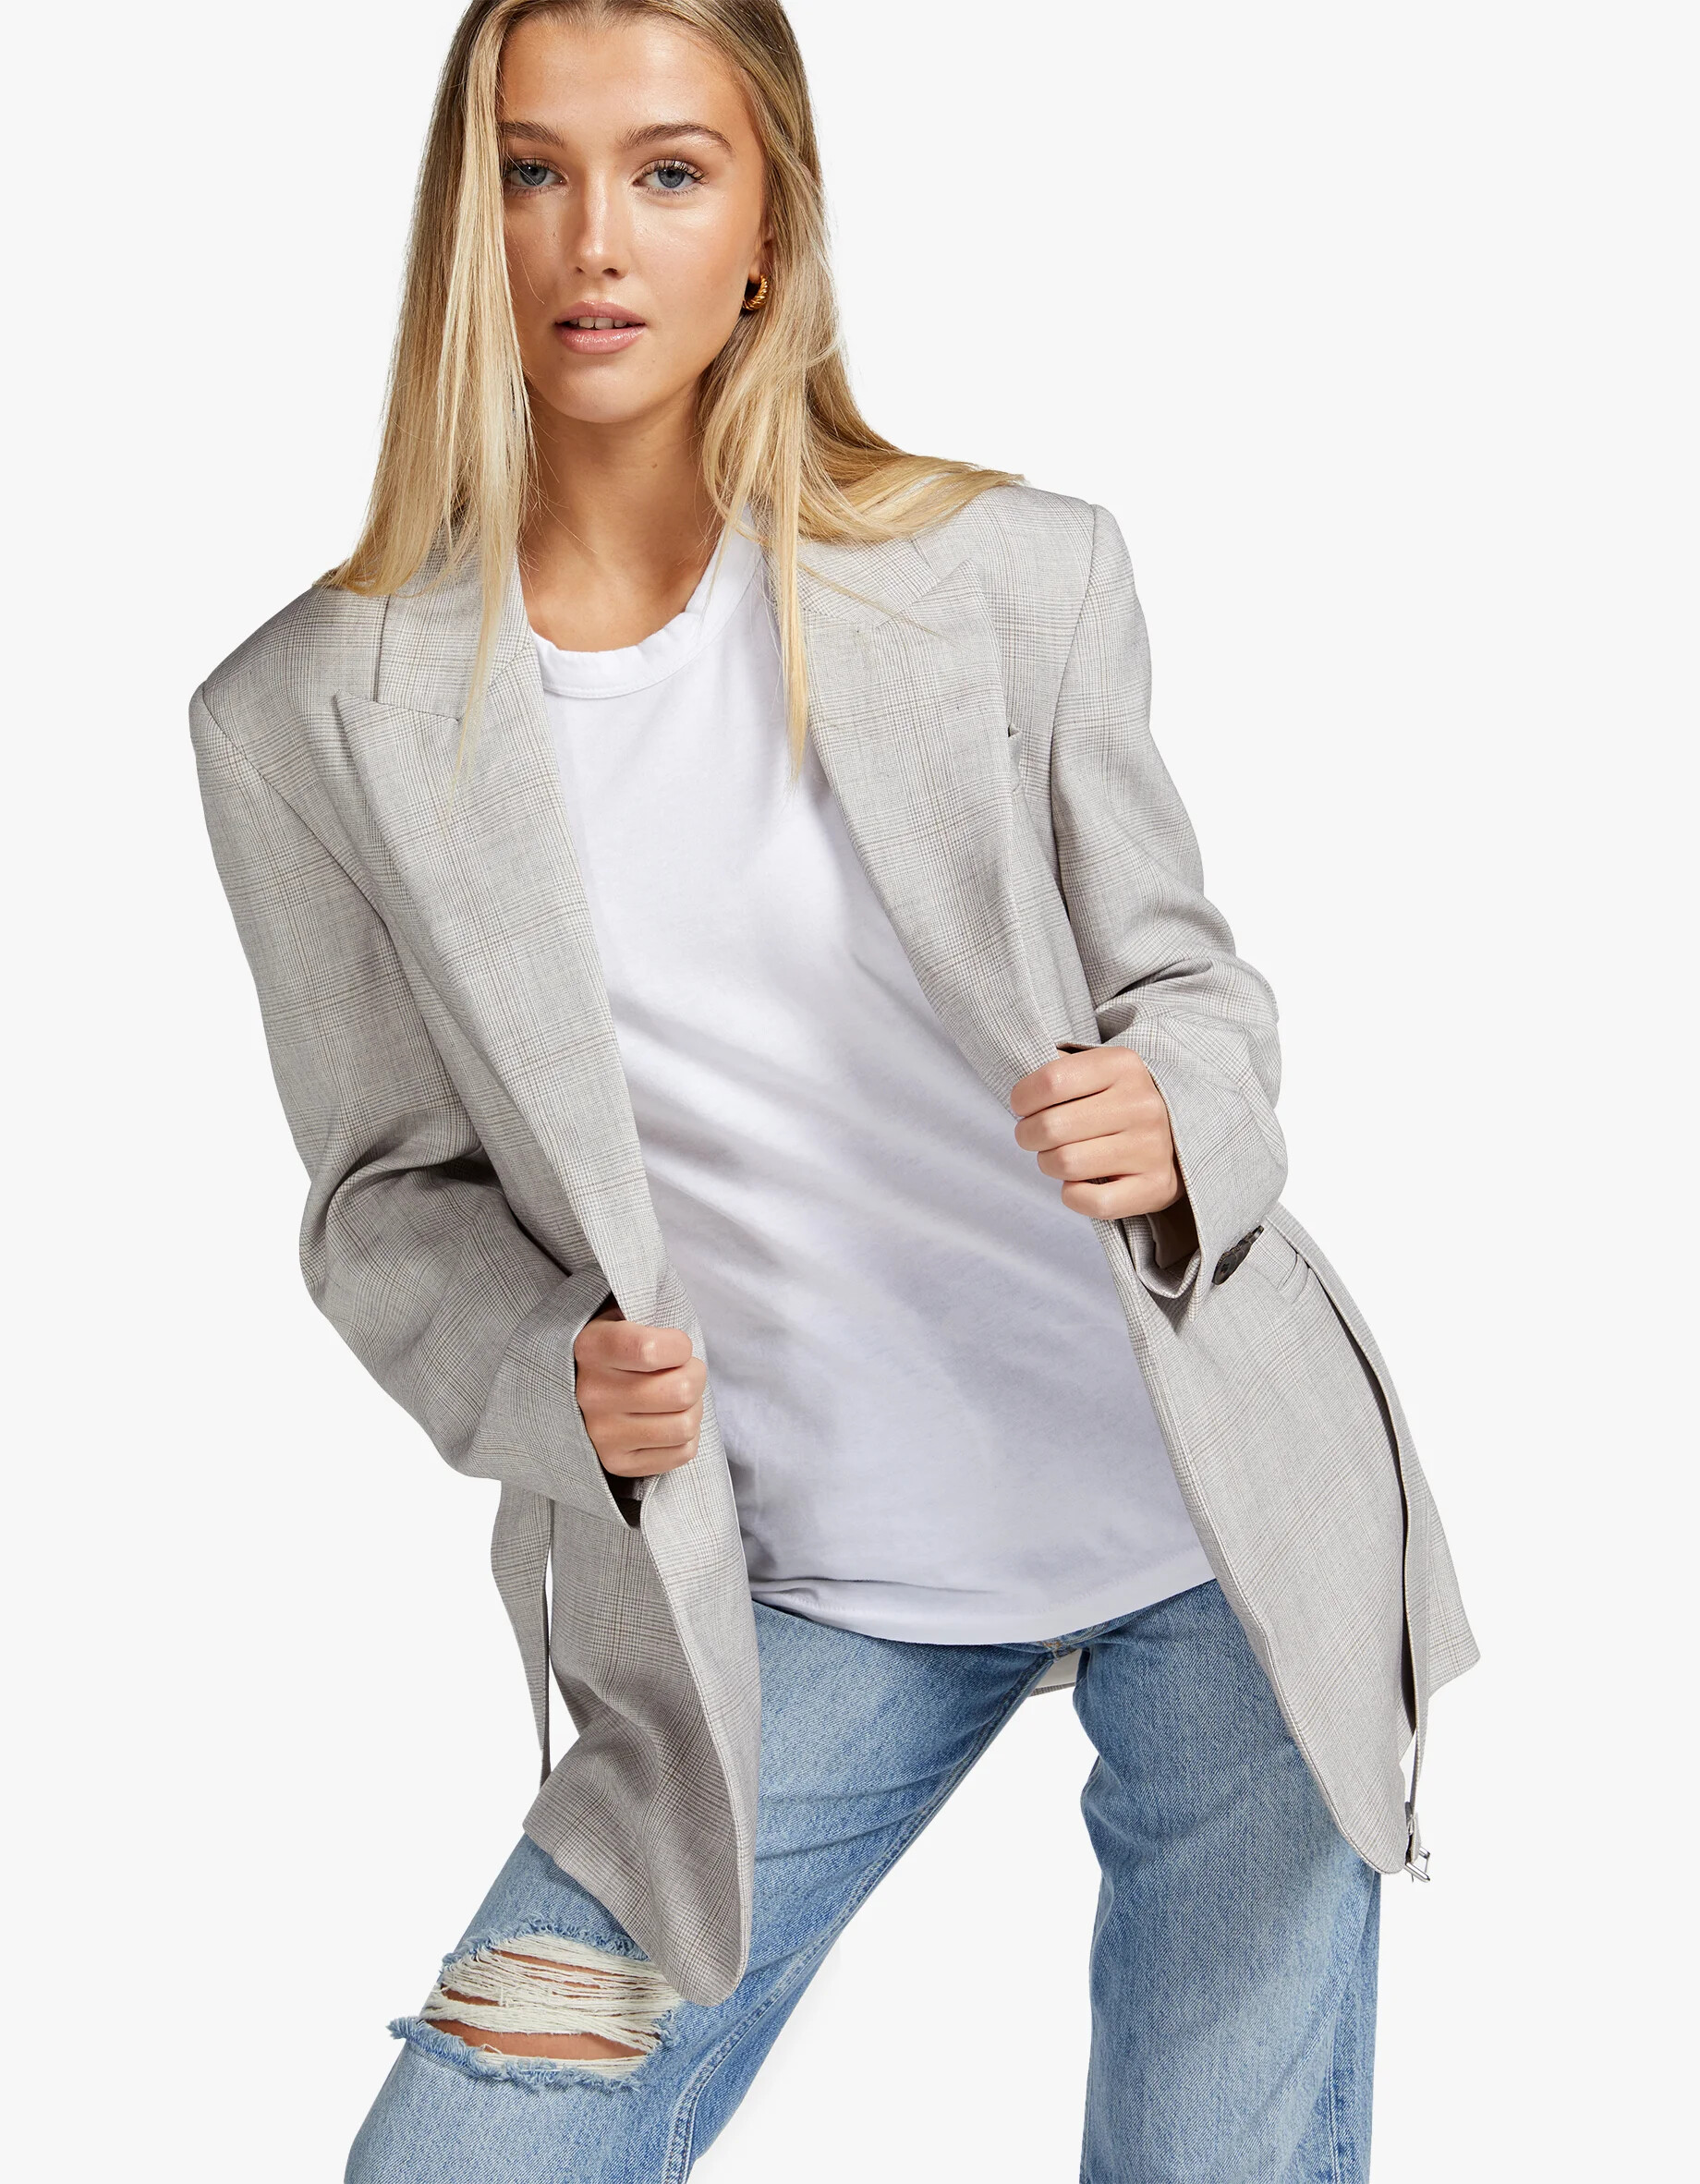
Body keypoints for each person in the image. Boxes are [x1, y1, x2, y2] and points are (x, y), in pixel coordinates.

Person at [187, 3, 1478, 2177]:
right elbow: (382, 1197)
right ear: (459, 221)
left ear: (766, 229)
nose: (594, 240)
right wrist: (548, 1372)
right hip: (783, 1583)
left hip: (1217, 1521)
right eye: (530, 170)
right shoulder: (308, 717)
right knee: (464, 2153)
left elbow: (1188, 980)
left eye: (668, 171)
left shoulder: (1010, 577)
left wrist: (1172, 1117)